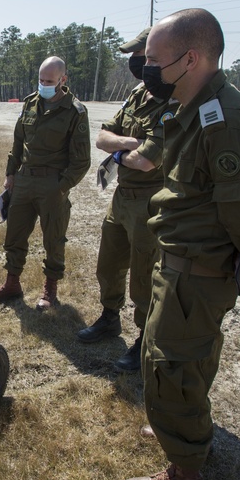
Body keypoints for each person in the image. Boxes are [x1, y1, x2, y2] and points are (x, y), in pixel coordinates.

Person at [122, 9, 240, 480]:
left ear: (189, 58)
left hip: (198, 272)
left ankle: (185, 472)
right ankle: (181, 428)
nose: (144, 68)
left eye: (152, 60)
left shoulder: (228, 123)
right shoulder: (194, 108)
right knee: (177, 356)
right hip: (177, 262)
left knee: (173, 364)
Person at [77, 28, 177, 372]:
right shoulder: (137, 93)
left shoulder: (172, 102)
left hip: (150, 201)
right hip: (122, 196)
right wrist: (129, 145)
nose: (138, 63)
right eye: (137, 57)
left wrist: (122, 149)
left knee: (145, 276)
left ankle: (144, 340)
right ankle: (109, 317)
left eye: (144, 57)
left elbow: (148, 161)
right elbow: (102, 137)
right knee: (109, 264)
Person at [0, 56, 91, 310]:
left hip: (52, 183)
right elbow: (18, 141)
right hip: (24, 179)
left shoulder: (75, 111)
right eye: (41, 80)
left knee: (53, 239)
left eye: (49, 81)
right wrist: (11, 174)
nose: (44, 85)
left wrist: (62, 186)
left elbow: (82, 160)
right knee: (15, 234)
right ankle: (12, 284)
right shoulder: (31, 102)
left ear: (63, 80)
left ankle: (50, 290)